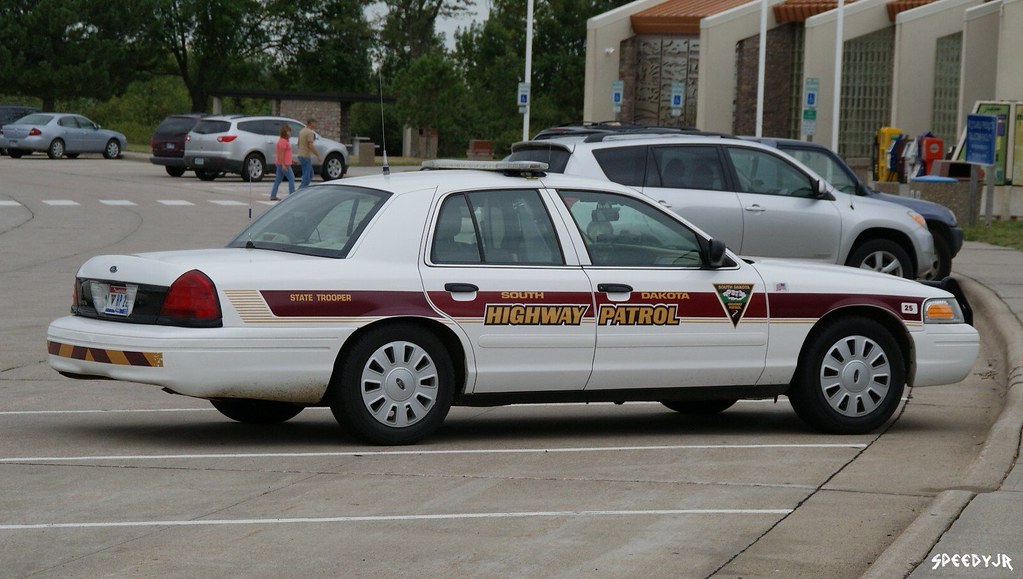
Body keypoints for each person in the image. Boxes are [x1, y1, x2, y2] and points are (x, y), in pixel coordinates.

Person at [269, 125, 295, 200]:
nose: (290, 133)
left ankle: (273, 195)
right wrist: (283, 165)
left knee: (278, 180)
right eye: (289, 131)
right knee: (291, 178)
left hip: (282, 163)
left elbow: (286, 154)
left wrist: (292, 160)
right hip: (284, 164)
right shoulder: (283, 141)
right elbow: (281, 154)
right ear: (285, 132)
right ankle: (292, 195)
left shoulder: (284, 141)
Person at [297, 118, 321, 189]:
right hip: (305, 155)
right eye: (315, 123)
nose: (316, 124)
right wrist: (318, 155)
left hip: (301, 155)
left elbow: (298, 143)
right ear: (311, 123)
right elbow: (310, 145)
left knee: (310, 174)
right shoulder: (310, 132)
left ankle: (303, 187)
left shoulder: (302, 131)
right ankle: (301, 189)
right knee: (307, 175)